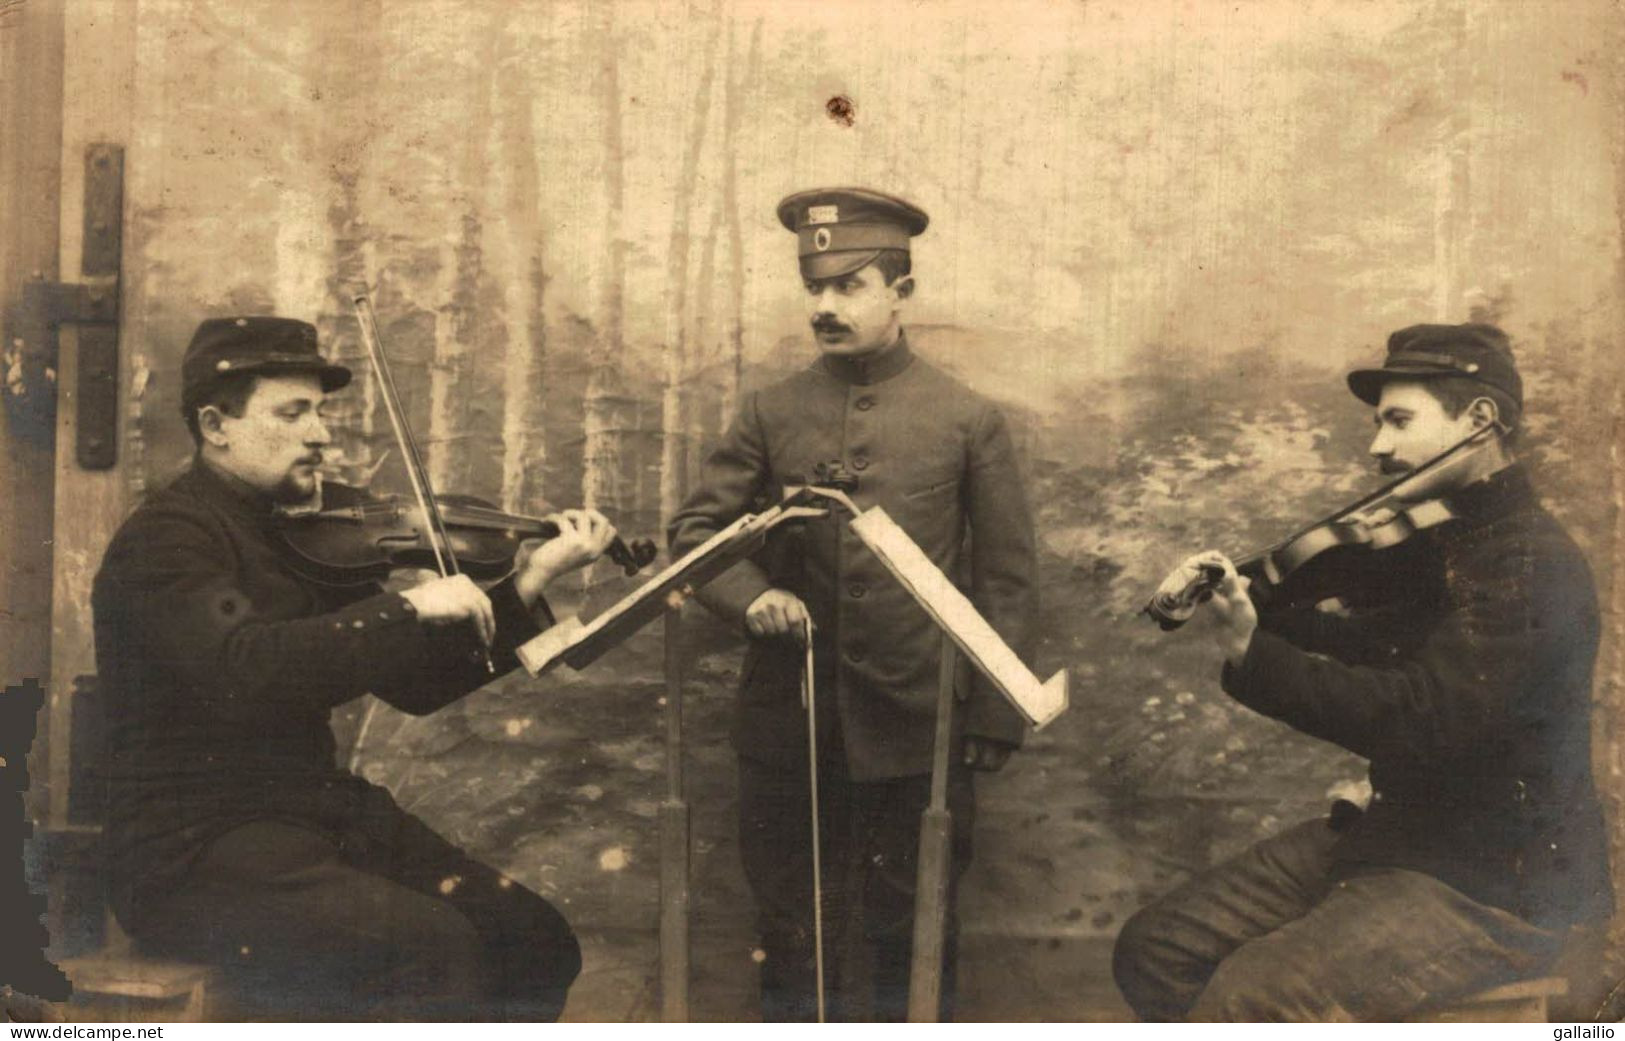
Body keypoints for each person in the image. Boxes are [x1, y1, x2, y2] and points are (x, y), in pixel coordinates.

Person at [92, 317, 618, 1020]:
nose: (320, 434)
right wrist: (409, 607)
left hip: (311, 814)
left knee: (533, 939)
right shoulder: (166, 539)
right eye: (293, 412)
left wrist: (525, 583)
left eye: (320, 412)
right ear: (216, 425)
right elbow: (241, 667)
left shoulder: (300, 532)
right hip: (191, 847)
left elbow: (417, 684)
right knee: (431, 948)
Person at [1114, 323, 1613, 1021]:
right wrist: (1254, 613)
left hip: (1491, 881)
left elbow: (1420, 714)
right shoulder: (1445, 536)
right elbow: (1374, 644)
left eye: (1398, 421)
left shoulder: (1531, 564)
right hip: (1399, 835)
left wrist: (1253, 655)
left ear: (1478, 421)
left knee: (1251, 997)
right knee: (1155, 947)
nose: (1378, 445)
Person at [668, 188, 1039, 1020]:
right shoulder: (772, 410)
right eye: (815, 290)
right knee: (790, 928)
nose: (826, 308)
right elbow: (697, 531)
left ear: (901, 292)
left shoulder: (965, 419)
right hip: (787, 723)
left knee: (909, 928)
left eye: (850, 287)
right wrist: (749, 594)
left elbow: (1008, 577)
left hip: (915, 728)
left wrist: (992, 713)